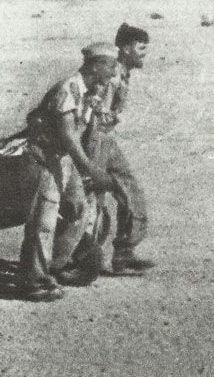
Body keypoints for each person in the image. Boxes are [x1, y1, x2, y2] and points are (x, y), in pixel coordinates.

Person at [19, 42, 119, 301]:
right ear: (95, 65)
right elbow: (67, 136)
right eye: (109, 66)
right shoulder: (69, 88)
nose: (113, 71)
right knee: (44, 220)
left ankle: (57, 264)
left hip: (63, 160)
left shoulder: (90, 91)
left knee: (78, 209)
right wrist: (90, 169)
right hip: (45, 159)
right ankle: (33, 279)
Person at [90, 23, 154, 275]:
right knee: (124, 191)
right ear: (126, 49)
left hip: (103, 139)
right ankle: (111, 255)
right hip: (98, 141)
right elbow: (95, 112)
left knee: (127, 191)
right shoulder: (113, 75)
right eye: (141, 48)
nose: (144, 54)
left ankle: (122, 254)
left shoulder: (120, 72)